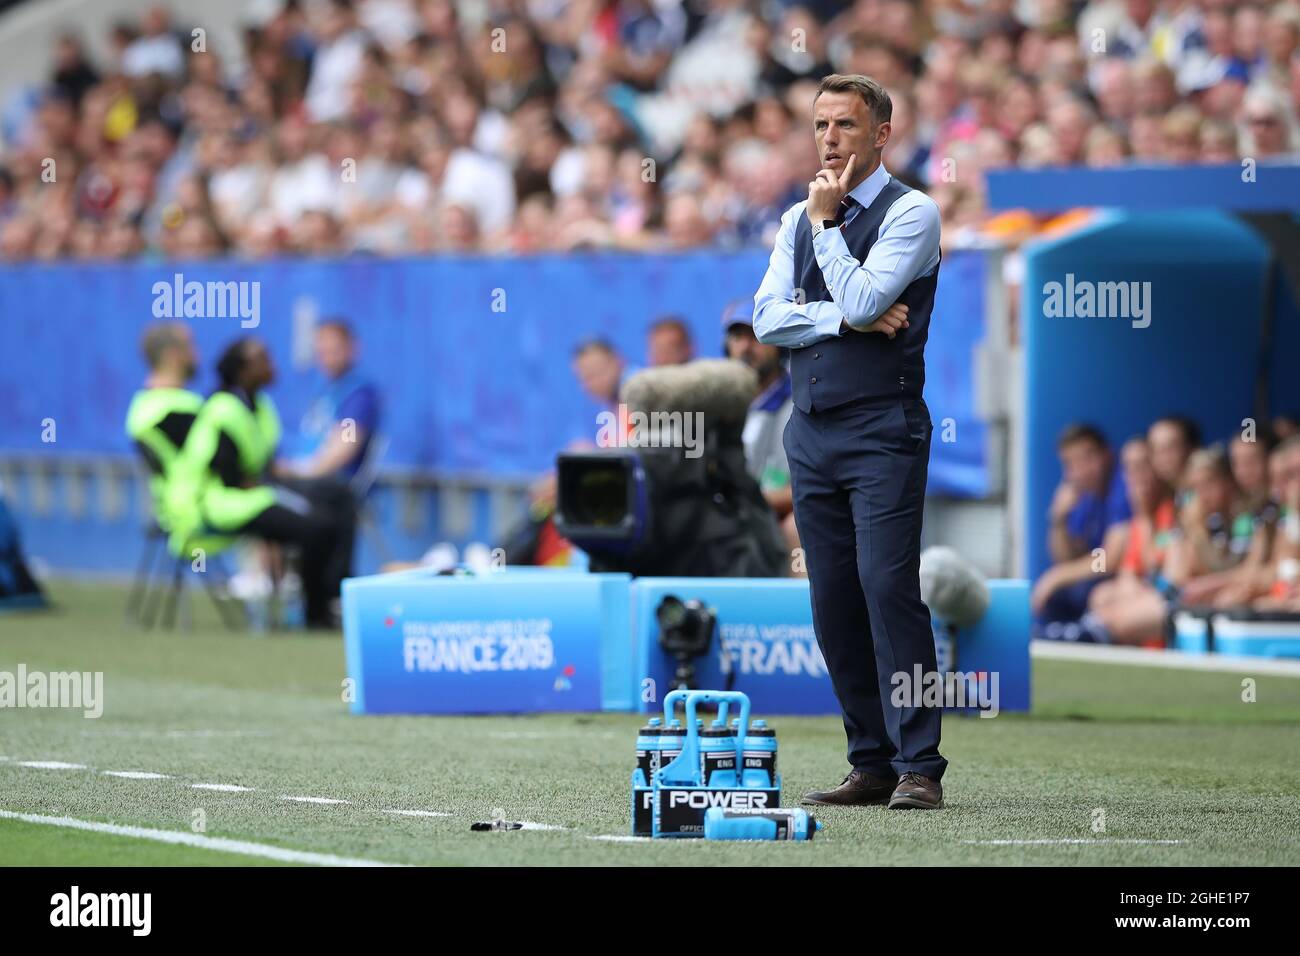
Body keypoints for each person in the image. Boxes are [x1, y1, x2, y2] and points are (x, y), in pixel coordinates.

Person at [753, 74, 944, 810]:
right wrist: (839, 319)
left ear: (881, 135)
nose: (829, 138)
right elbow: (769, 318)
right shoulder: (794, 217)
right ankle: (870, 761)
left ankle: (920, 764)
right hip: (811, 432)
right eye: (821, 125)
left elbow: (871, 297)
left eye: (846, 126)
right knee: (832, 597)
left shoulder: (913, 212)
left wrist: (829, 232)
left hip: (881, 431)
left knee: (887, 587)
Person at [167, 338, 355, 628]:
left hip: (256, 491)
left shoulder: (261, 405)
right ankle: (316, 613)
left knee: (339, 495)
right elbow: (229, 475)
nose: (271, 365)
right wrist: (271, 484)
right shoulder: (222, 408)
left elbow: (263, 462)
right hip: (219, 502)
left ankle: (337, 597)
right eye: (263, 360)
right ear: (242, 370)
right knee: (316, 526)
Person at [1032, 423, 1131, 634]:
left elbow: (1109, 560)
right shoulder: (1085, 498)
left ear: (1107, 455)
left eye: (1086, 458)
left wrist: (1055, 577)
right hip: (1099, 579)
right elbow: (1067, 559)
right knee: (1059, 595)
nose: (1079, 470)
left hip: (1129, 578)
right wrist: (1058, 518)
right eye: (1071, 463)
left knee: (1077, 588)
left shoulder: (1123, 485)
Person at [721, 297, 798, 557]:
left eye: (755, 335)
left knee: (796, 527)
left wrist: (747, 500)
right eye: (737, 337)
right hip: (734, 516)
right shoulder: (718, 405)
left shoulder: (803, 401)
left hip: (782, 519)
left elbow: (809, 487)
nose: (745, 347)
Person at [124, 322, 203, 533]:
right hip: (193, 508)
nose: (197, 355)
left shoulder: (146, 404)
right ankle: (258, 567)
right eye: (190, 346)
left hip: (177, 507)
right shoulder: (170, 411)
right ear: (172, 355)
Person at [282, 319, 382, 482]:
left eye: (334, 350)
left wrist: (302, 472)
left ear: (352, 349)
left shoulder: (358, 397)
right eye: (322, 352)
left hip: (331, 486)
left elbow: (345, 448)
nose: (328, 358)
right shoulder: (325, 391)